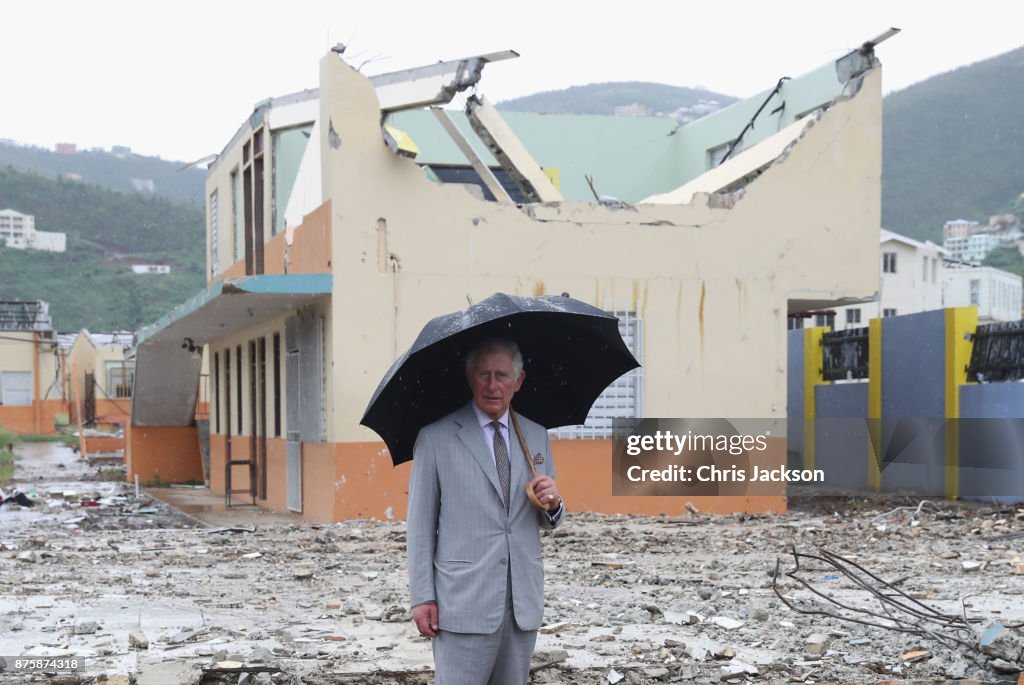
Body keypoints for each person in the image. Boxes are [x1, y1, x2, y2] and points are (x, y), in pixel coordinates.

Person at [406, 338, 564, 685]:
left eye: (502, 376)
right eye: (484, 374)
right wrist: (422, 597)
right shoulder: (436, 438)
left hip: (521, 603)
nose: (493, 385)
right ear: (470, 376)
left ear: (518, 381)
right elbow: (419, 526)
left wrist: (553, 503)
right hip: (462, 603)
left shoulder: (535, 437)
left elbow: (545, 517)